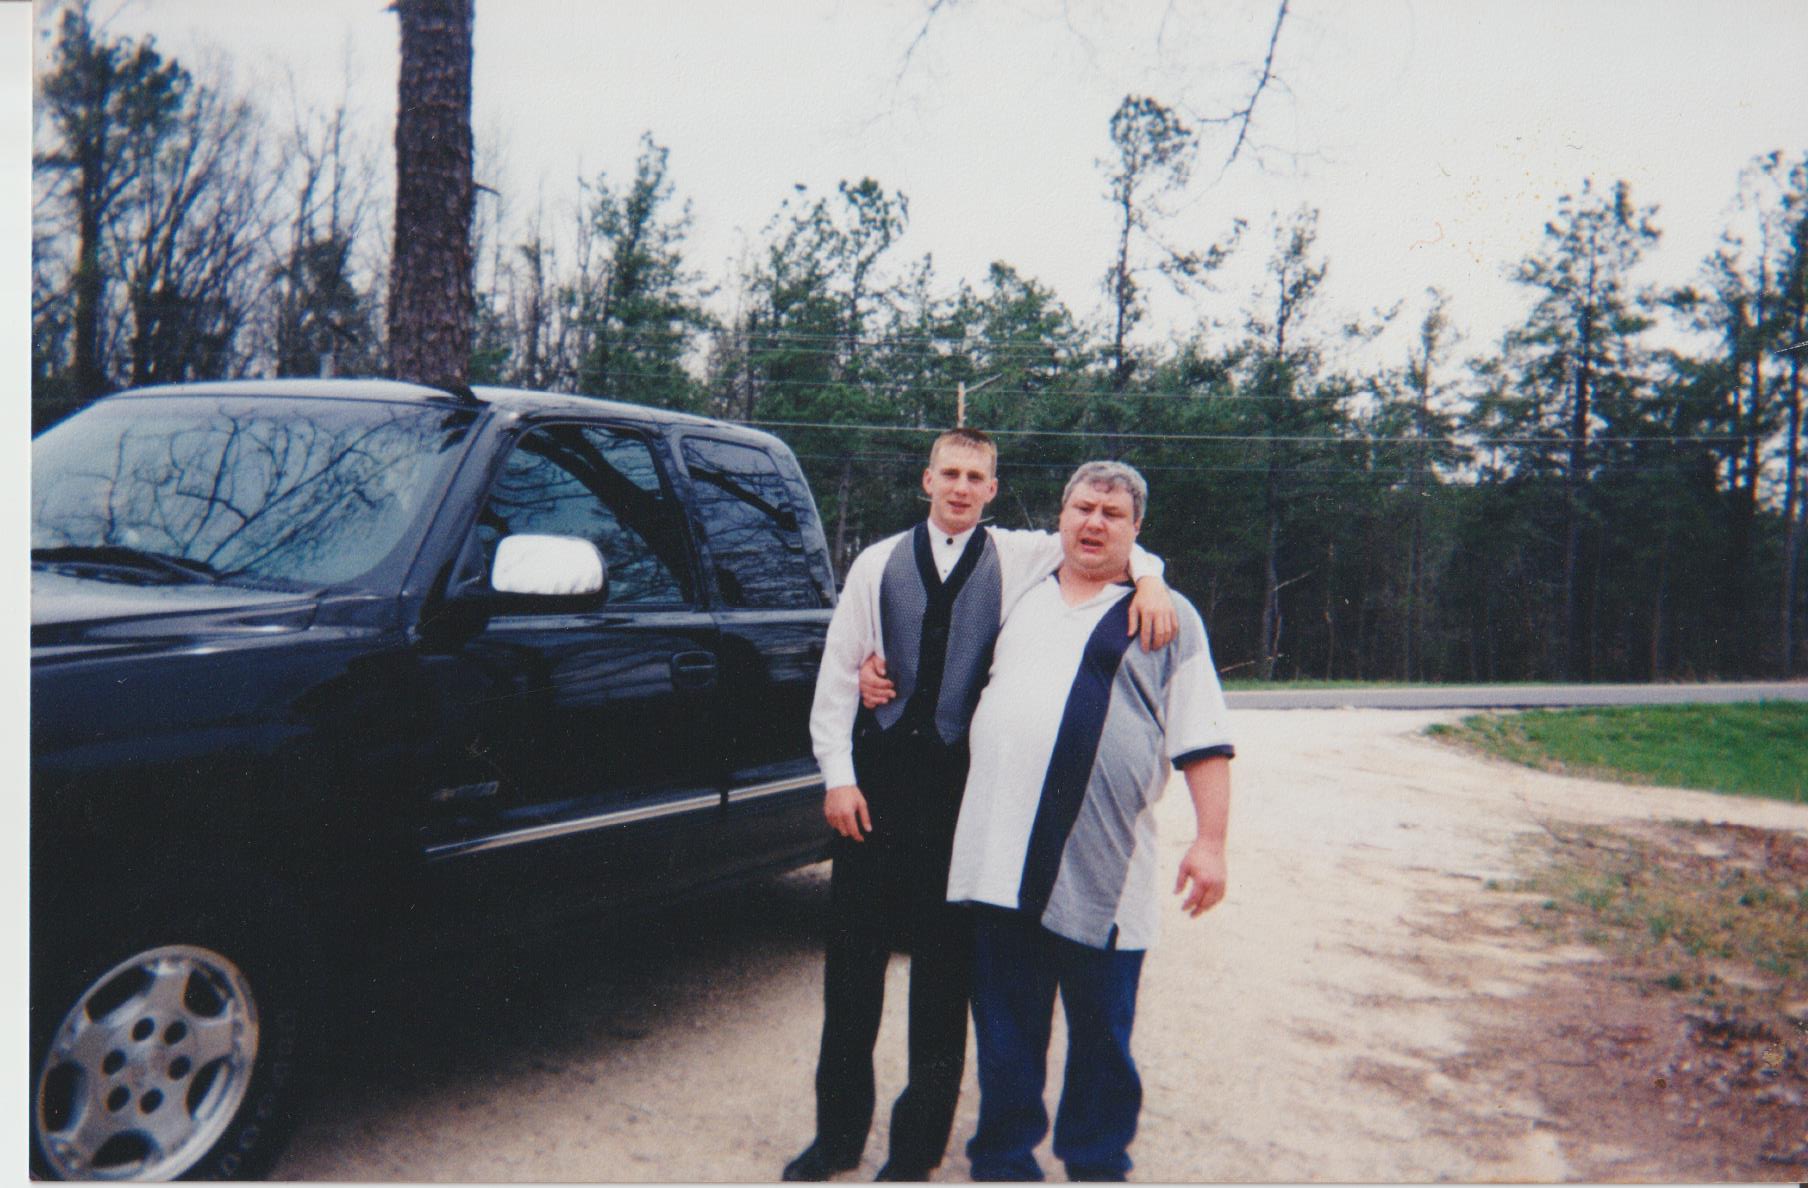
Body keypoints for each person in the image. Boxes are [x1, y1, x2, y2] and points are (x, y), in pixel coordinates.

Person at [784, 430, 1177, 1183]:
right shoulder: (876, 562)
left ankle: (915, 1151)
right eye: (950, 474)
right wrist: (838, 777)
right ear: (927, 480)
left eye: (976, 477)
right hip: (875, 788)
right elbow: (838, 675)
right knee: (853, 974)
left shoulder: (1020, 557)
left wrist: (1152, 580)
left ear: (992, 490)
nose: (961, 488)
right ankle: (835, 1140)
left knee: (942, 983)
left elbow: (1103, 539)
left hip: (957, 800)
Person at [942, 460, 1234, 1182]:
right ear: (1061, 515)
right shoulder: (1020, 592)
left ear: (1137, 530)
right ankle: (1004, 1160)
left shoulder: (1165, 616)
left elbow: (1203, 738)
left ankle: (1096, 1161)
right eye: (1082, 508)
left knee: (1102, 1032)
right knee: (1006, 1029)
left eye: (1112, 514)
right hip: (999, 860)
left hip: (1104, 870)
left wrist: (1211, 842)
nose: (1094, 523)